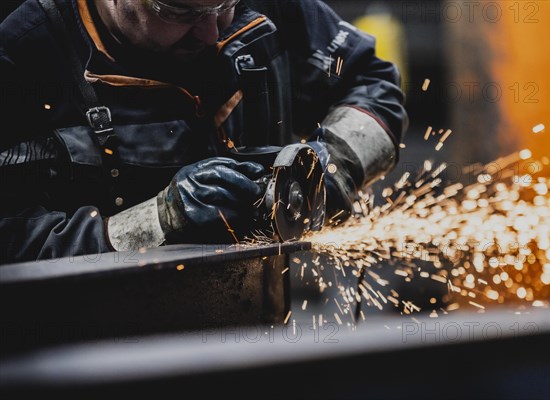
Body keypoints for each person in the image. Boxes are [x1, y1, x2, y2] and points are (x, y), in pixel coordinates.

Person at [0, 0, 408, 264]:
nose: (211, 32)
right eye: (180, 13)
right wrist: (154, 222)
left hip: (264, 321)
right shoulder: (21, 59)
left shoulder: (273, 8)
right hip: (100, 354)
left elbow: (371, 81)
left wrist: (338, 164)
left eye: (224, 5)